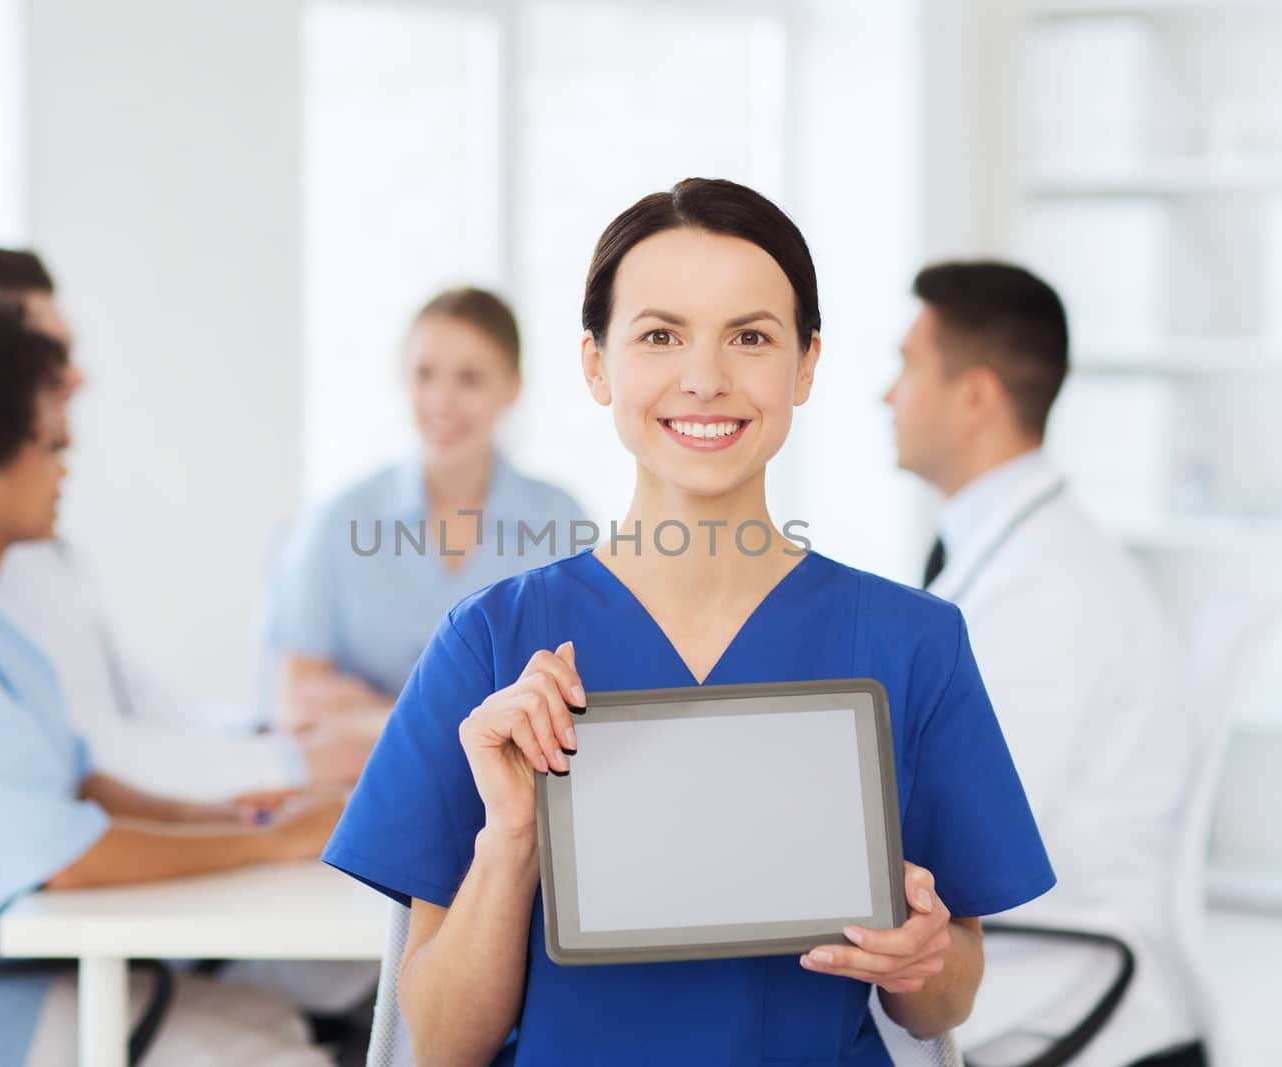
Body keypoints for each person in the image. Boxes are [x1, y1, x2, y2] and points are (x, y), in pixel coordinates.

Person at [321, 178, 1057, 1065]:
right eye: (660, 335)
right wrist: (513, 836)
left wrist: (919, 957)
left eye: (750, 337)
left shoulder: (913, 644)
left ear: (807, 364)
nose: (705, 379)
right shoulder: (490, 645)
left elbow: (946, 999)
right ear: (596, 363)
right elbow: (440, 1043)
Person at [0, 294, 338, 1067]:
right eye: (49, 446)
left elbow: (76, 785)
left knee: (278, 1024)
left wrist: (223, 815)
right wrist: (276, 845)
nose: (65, 464)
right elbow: (62, 858)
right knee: (280, 1051)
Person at [883, 260, 1202, 1067]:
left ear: (977, 396)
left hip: (1068, 998)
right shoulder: (1013, 553)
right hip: (1033, 970)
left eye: (909, 365)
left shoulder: (1051, 589)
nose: (887, 394)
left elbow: (965, 834)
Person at [0, 245, 372, 800]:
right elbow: (86, 752)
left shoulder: (37, 541)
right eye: (49, 351)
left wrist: (271, 739)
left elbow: (130, 697)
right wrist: (290, 765)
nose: (77, 377)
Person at [262, 286, 588, 734]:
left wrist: (375, 713)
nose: (442, 402)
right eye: (424, 374)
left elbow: (579, 701)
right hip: (368, 792)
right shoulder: (337, 522)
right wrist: (487, 718)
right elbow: (297, 712)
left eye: (469, 379)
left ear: (513, 387)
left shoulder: (562, 522)